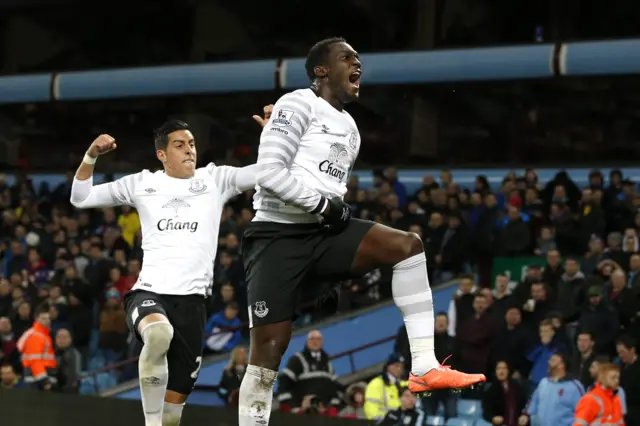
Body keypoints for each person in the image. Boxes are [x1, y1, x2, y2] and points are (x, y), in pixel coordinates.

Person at [238, 37, 485, 426]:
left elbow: (322, 185)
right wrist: (319, 201)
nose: (358, 64)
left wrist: (329, 220)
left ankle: (423, 366)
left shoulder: (350, 128)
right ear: (321, 70)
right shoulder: (297, 103)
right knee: (268, 353)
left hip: (322, 232)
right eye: (347, 57)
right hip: (276, 236)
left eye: (358, 59)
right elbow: (269, 174)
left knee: (408, 246)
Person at [69, 117, 266, 426]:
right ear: (161, 154)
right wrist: (91, 156)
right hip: (150, 292)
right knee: (159, 334)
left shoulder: (215, 180)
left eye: (191, 144)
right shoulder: (142, 183)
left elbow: (266, 172)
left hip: (193, 303)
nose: (189, 151)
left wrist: (273, 137)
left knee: (173, 414)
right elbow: (80, 198)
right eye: (179, 145)